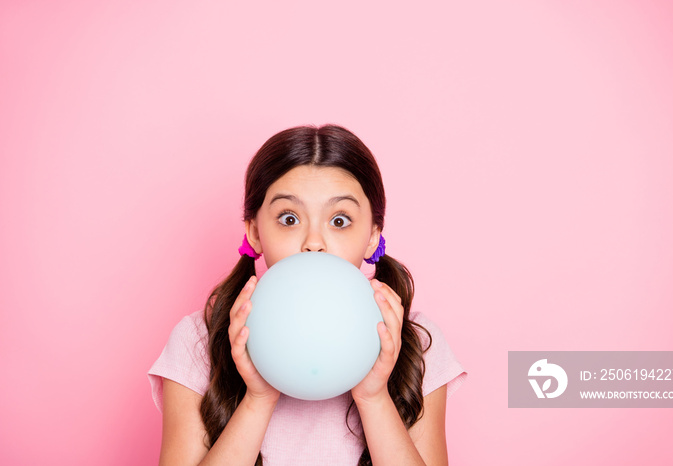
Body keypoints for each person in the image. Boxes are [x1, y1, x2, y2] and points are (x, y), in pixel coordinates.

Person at [148, 124, 467, 465]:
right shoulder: (197, 340)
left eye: (340, 221)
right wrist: (258, 397)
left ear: (372, 235)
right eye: (289, 218)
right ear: (255, 232)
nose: (313, 242)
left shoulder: (416, 342)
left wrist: (374, 397)